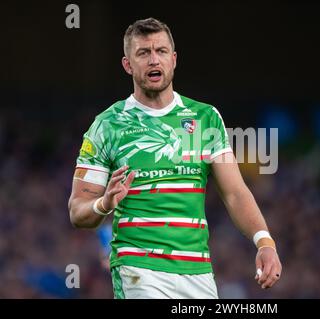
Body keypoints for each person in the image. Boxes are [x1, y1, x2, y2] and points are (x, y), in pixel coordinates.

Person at [68, 17, 282, 299]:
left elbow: (235, 193)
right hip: (139, 269)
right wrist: (104, 203)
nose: (154, 60)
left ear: (174, 59)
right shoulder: (107, 125)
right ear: (128, 64)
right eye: (143, 53)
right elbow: (77, 210)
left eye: (161, 51)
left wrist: (265, 242)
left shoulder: (204, 118)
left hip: (198, 271)